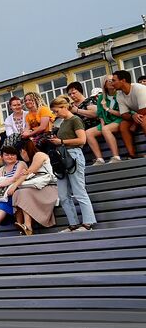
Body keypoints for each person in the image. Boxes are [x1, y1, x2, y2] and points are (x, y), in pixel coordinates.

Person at [49, 96, 95, 231]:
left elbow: (82, 140)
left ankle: (88, 223)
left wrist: (61, 142)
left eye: (56, 111)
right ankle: (73, 223)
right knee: (63, 195)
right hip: (63, 156)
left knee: (79, 191)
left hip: (74, 155)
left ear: (64, 107)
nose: (55, 114)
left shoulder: (75, 119)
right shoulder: (62, 122)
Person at [10, 138, 58, 234]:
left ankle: (27, 225)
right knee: (18, 193)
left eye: (20, 153)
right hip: (40, 187)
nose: (21, 156)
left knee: (23, 192)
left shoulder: (39, 155)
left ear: (23, 150)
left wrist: (15, 185)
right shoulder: (33, 159)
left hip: (50, 188)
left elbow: (30, 172)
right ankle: (21, 224)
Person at [106, 70, 146, 158]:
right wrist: (132, 116)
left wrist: (134, 124)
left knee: (144, 121)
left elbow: (144, 109)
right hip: (139, 114)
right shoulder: (119, 94)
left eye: (114, 80)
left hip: (143, 113)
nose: (112, 83)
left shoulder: (139, 88)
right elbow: (124, 114)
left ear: (123, 80)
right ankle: (132, 154)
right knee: (123, 125)